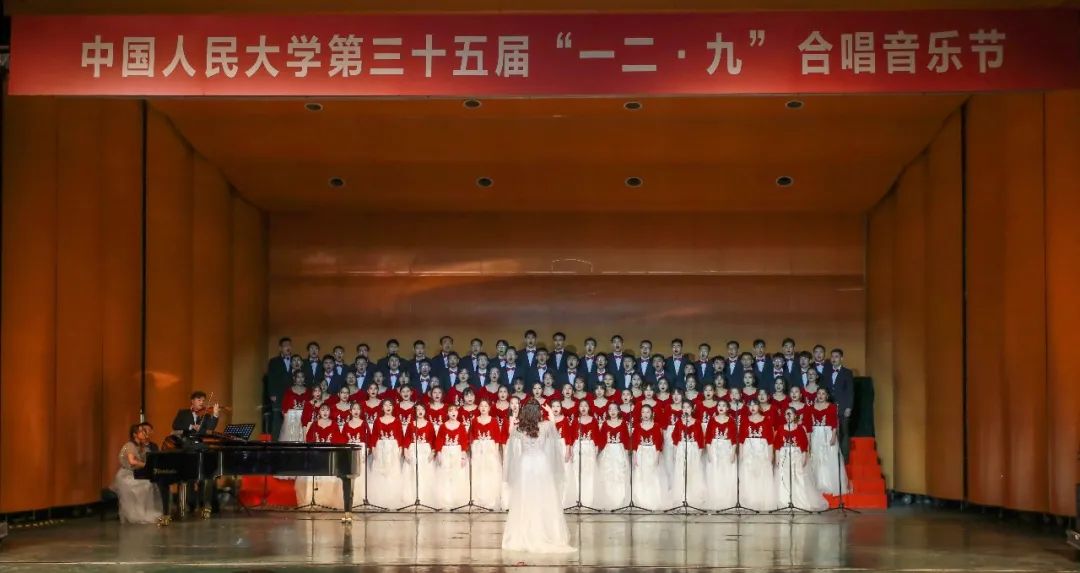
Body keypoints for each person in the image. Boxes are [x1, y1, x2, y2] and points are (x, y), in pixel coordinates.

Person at [501, 402, 574, 553]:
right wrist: (550, 412)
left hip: (525, 464)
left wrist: (513, 418)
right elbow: (554, 426)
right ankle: (545, 531)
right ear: (538, 412)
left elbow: (510, 433)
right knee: (543, 496)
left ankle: (525, 531)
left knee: (525, 497)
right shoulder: (546, 426)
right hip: (541, 463)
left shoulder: (519, 428)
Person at [773, 407, 828, 511]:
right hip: (784, 457)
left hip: (796, 457)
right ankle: (784, 501)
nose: (788, 416)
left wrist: (804, 458)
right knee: (784, 478)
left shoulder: (800, 429)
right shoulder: (780, 428)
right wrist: (777, 458)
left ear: (795, 416)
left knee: (797, 478)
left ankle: (799, 501)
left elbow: (804, 446)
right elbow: (777, 446)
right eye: (786, 414)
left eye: (790, 414)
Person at [111, 423, 163, 524]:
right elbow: (132, 462)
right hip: (126, 475)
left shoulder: (142, 446)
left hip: (135, 473)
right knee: (144, 485)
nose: (144, 433)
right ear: (135, 434)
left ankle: (143, 510)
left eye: (144, 431)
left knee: (148, 483)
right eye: (141, 432)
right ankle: (136, 513)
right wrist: (146, 465)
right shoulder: (130, 445)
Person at [808, 388, 850, 496]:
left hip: (827, 434)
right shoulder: (811, 407)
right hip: (815, 434)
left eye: (823, 394)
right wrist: (809, 439)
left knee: (829, 458)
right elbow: (808, 424)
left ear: (827, 396)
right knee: (817, 459)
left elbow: (834, 423)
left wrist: (833, 436)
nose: (821, 395)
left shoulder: (831, 407)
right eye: (819, 393)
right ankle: (818, 484)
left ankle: (830, 484)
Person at [738, 400, 777, 511]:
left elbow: (770, 441)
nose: (752, 407)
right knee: (749, 475)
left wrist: (770, 457)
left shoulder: (766, 420)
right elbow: (741, 441)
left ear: (759, 407)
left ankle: (761, 500)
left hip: (762, 451)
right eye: (750, 405)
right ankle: (749, 501)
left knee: (761, 475)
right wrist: (741, 455)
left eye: (754, 405)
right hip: (748, 452)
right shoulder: (745, 420)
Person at [368, 399, 406, 509]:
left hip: (393, 449)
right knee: (380, 472)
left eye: (390, 405)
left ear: (393, 407)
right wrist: (374, 449)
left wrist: (400, 450)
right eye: (385, 405)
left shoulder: (397, 420)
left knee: (392, 472)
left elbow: (400, 436)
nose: (388, 407)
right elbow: (374, 436)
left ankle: (392, 497)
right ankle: (380, 497)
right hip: (381, 449)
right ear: (382, 408)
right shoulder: (378, 421)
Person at [669, 401, 707, 507]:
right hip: (681, 448)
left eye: (688, 407)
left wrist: (699, 455)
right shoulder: (679, 422)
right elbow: (675, 438)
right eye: (684, 407)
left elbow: (700, 440)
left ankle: (693, 495)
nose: (686, 409)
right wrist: (675, 453)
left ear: (692, 409)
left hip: (693, 449)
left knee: (693, 472)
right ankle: (681, 496)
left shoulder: (697, 422)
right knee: (682, 472)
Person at [593, 403, 631, 510]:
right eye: (610, 409)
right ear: (608, 412)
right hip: (608, 452)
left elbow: (626, 439)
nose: (612, 411)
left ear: (619, 411)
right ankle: (608, 499)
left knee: (619, 474)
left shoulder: (623, 423)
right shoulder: (605, 423)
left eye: (615, 409)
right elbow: (601, 439)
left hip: (620, 451)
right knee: (607, 474)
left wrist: (626, 453)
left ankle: (620, 499)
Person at [469, 399, 506, 510]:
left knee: (490, 474)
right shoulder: (474, 420)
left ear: (489, 408)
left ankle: (490, 501)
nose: (483, 408)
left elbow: (497, 438)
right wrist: (473, 450)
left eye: (486, 406)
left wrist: (495, 453)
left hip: (490, 450)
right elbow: (471, 436)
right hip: (478, 450)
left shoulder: (493, 420)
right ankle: (478, 501)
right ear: (478, 408)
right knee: (478, 475)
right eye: (481, 406)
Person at [631, 404, 667, 510]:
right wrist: (635, 457)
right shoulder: (637, 426)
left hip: (652, 453)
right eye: (643, 412)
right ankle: (640, 500)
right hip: (641, 453)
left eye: (648, 412)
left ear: (652, 414)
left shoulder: (656, 426)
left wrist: (656, 458)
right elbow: (634, 444)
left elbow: (659, 444)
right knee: (640, 476)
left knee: (652, 476)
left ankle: (652, 500)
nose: (645, 414)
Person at [704, 400, 738, 510]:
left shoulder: (731, 421)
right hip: (714, 448)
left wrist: (733, 453)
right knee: (715, 472)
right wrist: (709, 452)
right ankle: (715, 497)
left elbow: (734, 439)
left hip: (727, 448)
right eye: (719, 405)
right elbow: (708, 438)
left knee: (726, 472)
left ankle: (726, 498)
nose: (721, 407)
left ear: (728, 408)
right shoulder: (712, 420)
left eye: (724, 405)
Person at [434, 405, 471, 509]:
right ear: (447, 413)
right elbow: (439, 440)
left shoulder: (461, 426)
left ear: (458, 413)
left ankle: (457, 499)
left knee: (457, 475)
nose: (453, 412)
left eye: (455, 410)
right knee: (446, 476)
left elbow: (464, 441)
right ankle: (446, 500)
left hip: (457, 452)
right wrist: (439, 453)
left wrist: (463, 456)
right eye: (450, 411)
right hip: (445, 452)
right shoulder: (443, 426)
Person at [401, 403, 437, 508]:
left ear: (425, 411)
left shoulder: (429, 425)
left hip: (425, 451)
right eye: (418, 410)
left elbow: (433, 440)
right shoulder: (411, 424)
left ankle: (425, 497)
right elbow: (407, 439)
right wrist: (406, 451)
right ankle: (412, 496)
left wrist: (432, 452)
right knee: (413, 473)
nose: (420, 411)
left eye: (422, 409)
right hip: (413, 450)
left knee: (425, 474)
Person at [279, 372, 311, 442]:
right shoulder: (288, 391)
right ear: (294, 378)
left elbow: (310, 405)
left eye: (302, 377)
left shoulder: (308, 392)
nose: (300, 379)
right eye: (298, 377)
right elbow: (284, 406)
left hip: (304, 418)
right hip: (291, 420)